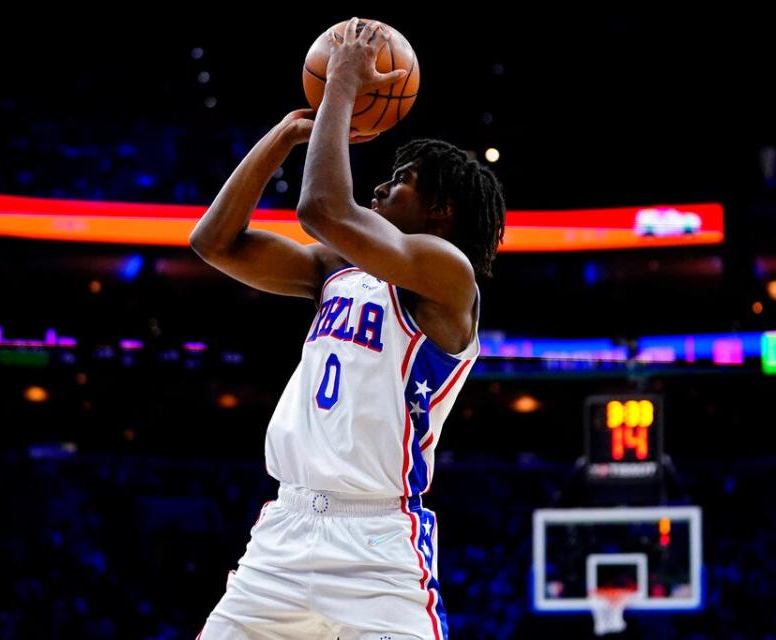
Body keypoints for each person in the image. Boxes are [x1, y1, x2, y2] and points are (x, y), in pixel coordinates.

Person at [189, 18, 505, 639]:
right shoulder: (337, 268)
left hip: (377, 545)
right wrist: (281, 137)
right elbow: (214, 242)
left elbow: (323, 209)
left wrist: (342, 84)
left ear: (441, 210)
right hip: (283, 532)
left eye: (403, 180)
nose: (383, 184)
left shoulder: (448, 276)